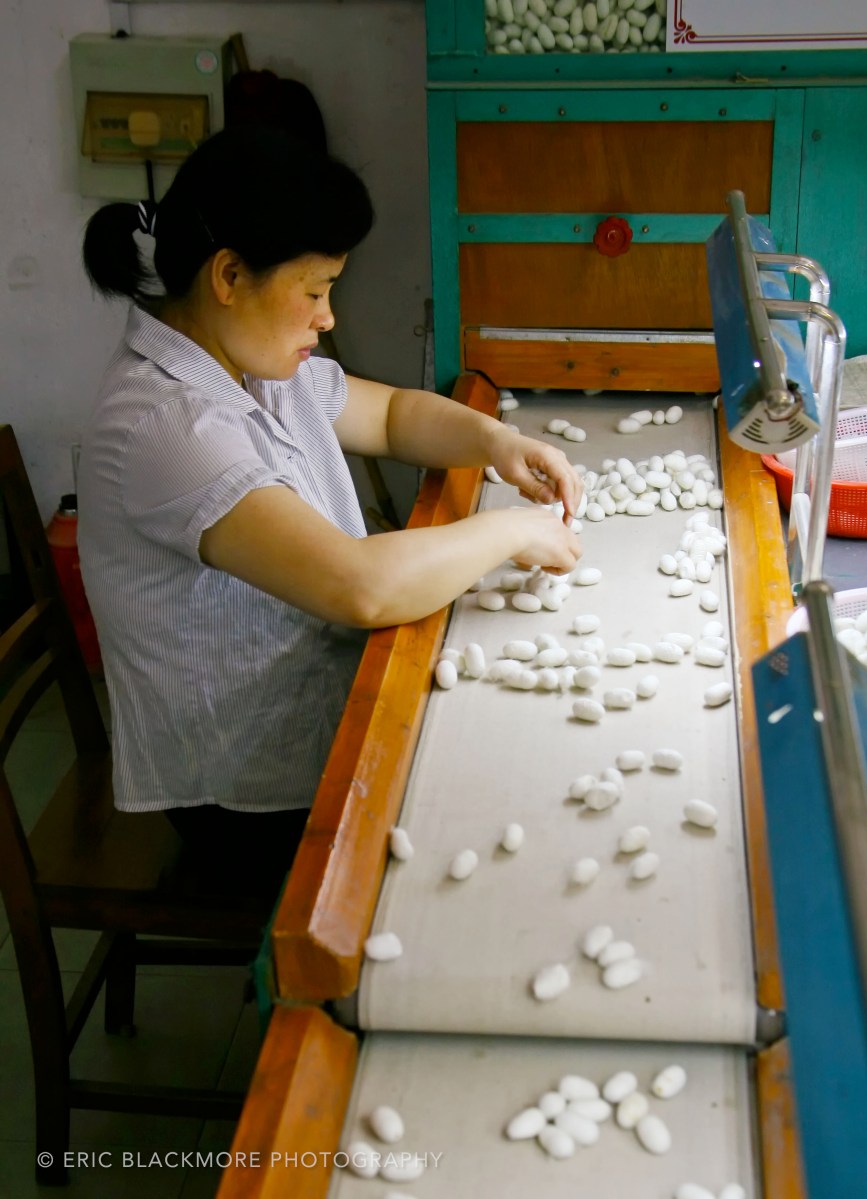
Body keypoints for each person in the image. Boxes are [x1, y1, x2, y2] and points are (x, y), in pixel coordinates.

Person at [78, 125, 582, 892]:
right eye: (314, 291)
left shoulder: (247, 359)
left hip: (315, 692)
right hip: (245, 785)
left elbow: (392, 418)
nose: (327, 317)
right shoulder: (167, 425)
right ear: (229, 275)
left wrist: (496, 441)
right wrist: (512, 528)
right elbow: (360, 586)